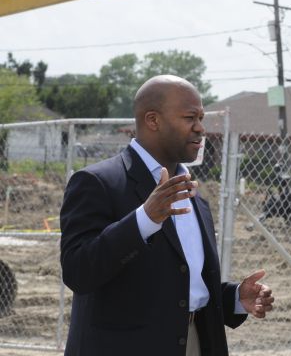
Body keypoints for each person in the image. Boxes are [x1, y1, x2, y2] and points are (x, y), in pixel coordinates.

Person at [60, 75, 274, 356]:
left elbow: (179, 283)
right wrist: (144, 220)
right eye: (190, 117)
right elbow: (79, 272)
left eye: (201, 117)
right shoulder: (97, 183)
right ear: (153, 120)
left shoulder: (195, 197)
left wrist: (234, 297)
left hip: (196, 342)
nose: (200, 128)